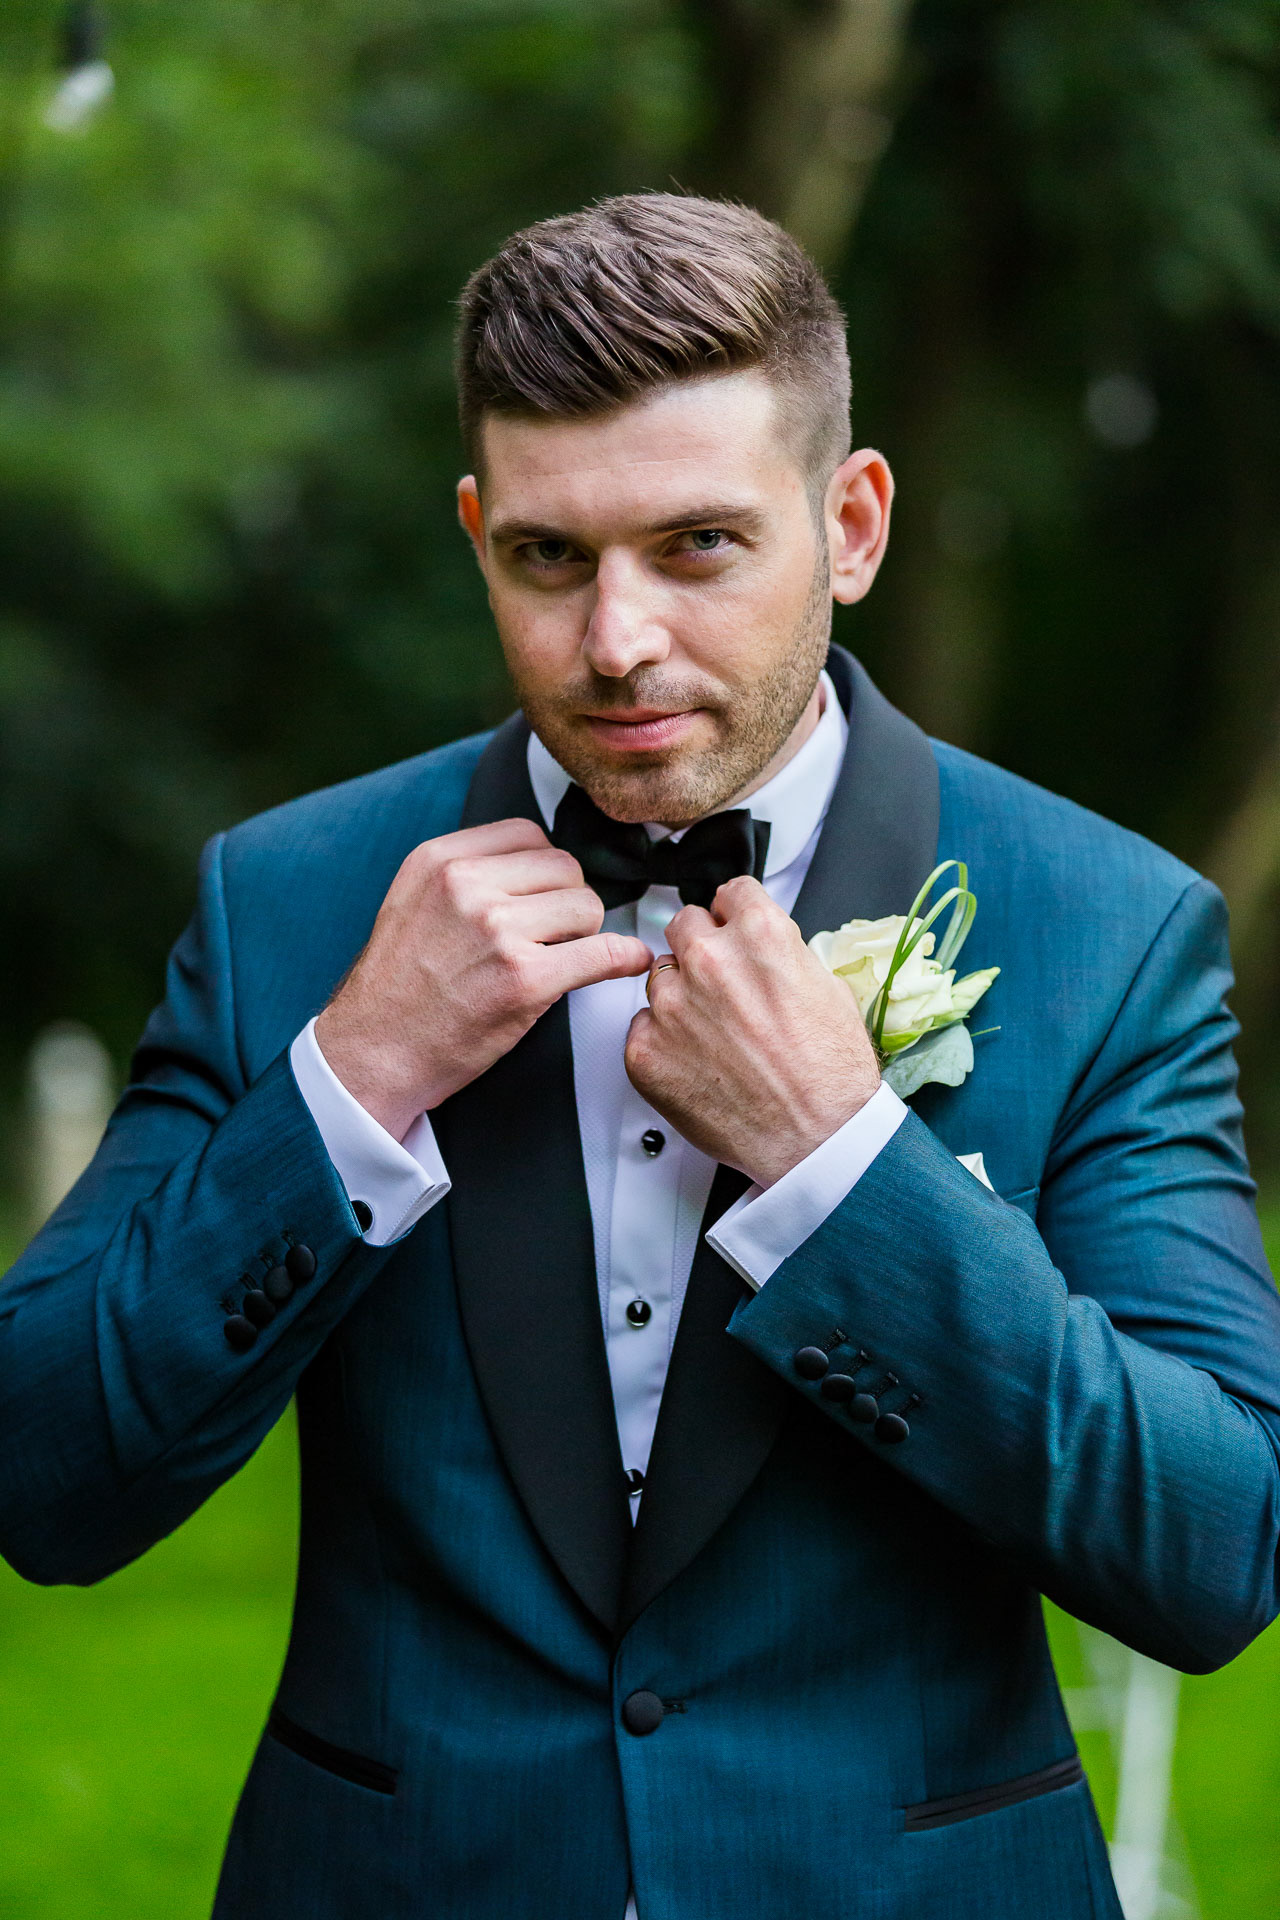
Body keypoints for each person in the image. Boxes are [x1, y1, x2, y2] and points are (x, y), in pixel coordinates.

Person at [2, 193, 1278, 1920]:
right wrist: (350, 1084)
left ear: (851, 524)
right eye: (549, 557)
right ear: (477, 534)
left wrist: (840, 1165)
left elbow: (1212, 1549)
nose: (616, 643)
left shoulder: (1106, 926)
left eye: (697, 547)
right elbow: (45, 1477)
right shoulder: (291, 901)